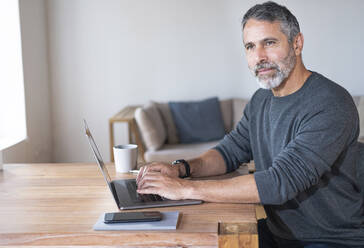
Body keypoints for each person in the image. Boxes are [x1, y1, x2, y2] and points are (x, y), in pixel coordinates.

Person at [136, 1, 364, 247]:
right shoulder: (261, 100)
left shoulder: (330, 103)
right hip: (281, 234)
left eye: (269, 43)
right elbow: (229, 152)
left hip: (332, 239)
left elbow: (280, 182)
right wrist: (180, 169)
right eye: (250, 46)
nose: (259, 57)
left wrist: (184, 190)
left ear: (297, 43)